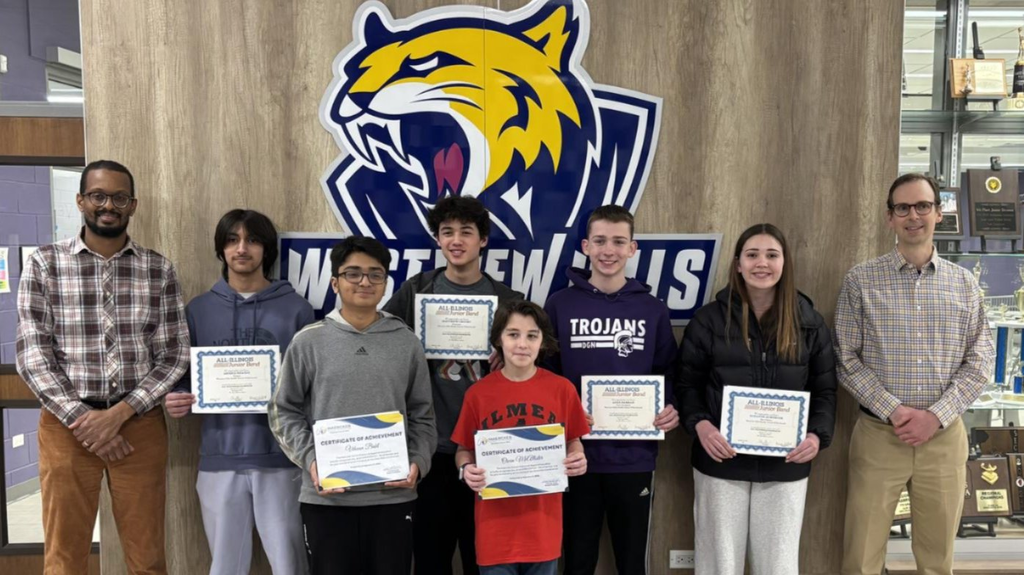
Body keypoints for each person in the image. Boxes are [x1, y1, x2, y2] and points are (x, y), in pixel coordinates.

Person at [15, 159, 190, 574]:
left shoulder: (158, 269)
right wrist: (86, 422)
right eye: (98, 196)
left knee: (148, 559)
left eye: (119, 197)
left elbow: (174, 354)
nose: (108, 205)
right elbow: (33, 354)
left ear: (133, 205)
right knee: (64, 558)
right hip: (66, 428)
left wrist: (118, 415)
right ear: (81, 201)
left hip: (139, 426)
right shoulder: (45, 264)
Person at [836, 174, 994, 575]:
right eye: (903, 207)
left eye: (923, 206)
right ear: (889, 217)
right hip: (879, 437)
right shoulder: (861, 280)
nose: (913, 216)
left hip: (944, 439)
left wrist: (935, 416)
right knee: (861, 557)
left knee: (937, 558)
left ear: (938, 213)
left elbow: (981, 360)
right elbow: (845, 357)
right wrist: (894, 410)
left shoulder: (964, 284)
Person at [675, 223, 836, 575]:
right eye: (752, 255)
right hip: (720, 462)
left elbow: (825, 391)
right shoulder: (708, 321)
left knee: (778, 566)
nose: (761, 263)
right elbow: (686, 385)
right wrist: (701, 426)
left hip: (785, 465)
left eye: (771, 255)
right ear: (738, 264)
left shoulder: (809, 323)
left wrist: (816, 436)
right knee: (719, 565)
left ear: (785, 263)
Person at [269, 236, 437, 575]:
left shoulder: (406, 342)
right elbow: (283, 411)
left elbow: (423, 414)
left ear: (386, 283)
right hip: (328, 499)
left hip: (392, 499)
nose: (365, 282)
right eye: (353, 273)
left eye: (375, 274)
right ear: (335, 282)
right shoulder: (308, 341)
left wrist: (418, 462)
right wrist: (312, 461)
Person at [163, 209, 315, 574]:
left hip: (284, 459)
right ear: (221, 249)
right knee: (225, 567)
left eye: (252, 240)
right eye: (232, 240)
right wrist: (178, 397)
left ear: (267, 249)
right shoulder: (198, 310)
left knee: (291, 565)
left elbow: (312, 384)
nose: (242, 249)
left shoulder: (297, 310)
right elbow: (183, 377)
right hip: (220, 457)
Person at [382, 195, 522, 575]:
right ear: (438, 240)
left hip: (490, 449)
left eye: (466, 232)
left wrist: (511, 356)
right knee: (431, 558)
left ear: (483, 240)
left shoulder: (508, 301)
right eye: (447, 232)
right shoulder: (417, 291)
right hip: (432, 447)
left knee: (485, 560)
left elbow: (535, 361)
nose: (456, 240)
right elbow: (382, 342)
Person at [542, 204, 679, 575]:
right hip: (574, 455)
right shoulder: (559, 304)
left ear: (632, 249)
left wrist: (670, 406)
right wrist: (564, 414)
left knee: (632, 562)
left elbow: (667, 370)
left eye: (619, 242)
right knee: (577, 560)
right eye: (600, 241)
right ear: (586, 246)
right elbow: (546, 375)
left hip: (634, 456)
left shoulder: (652, 309)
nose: (609, 250)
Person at [452, 300, 590, 575]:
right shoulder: (478, 394)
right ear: (499, 339)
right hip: (495, 533)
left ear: (543, 341)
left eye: (532, 336)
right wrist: (465, 469)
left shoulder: (562, 389)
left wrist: (578, 456)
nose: (522, 344)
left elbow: (573, 440)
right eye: (513, 334)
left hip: (543, 530)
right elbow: (463, 449)